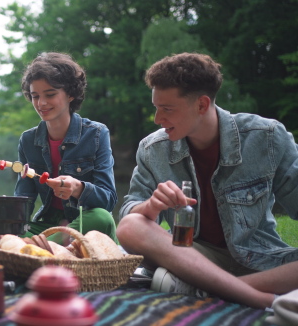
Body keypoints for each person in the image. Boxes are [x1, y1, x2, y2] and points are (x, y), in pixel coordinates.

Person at [116, 52, 298, 309]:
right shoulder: (152, 149)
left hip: (261, 261)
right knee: (130, 225)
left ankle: (209, 290)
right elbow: (129, 212)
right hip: (193, 258)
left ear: (201, 105)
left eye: (167, 109)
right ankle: (260, 298)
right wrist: (150, 206)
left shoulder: (267, 138)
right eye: (156, 108)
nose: (157, 119)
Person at [14, 52, 118, 245]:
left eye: (50, 94)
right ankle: (43, 246)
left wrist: (79, 188)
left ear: (70, 94)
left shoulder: (96, 134)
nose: (41, 103)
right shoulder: (28, 140)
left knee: (102, 218)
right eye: (35, 96)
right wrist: (3, 220)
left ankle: (36, 248)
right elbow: (23, 199)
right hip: (47, 225)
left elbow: (108, 200)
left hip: (84, 222)